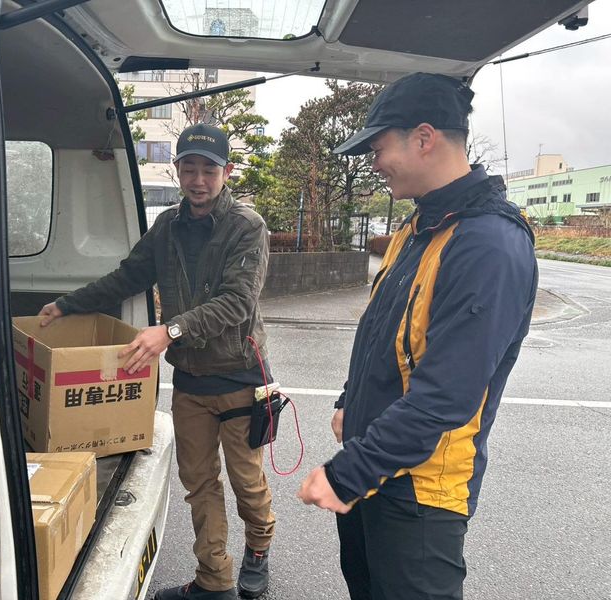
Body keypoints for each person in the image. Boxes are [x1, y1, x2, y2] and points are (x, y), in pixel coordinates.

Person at [297, 72, 538, 600]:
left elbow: (445, 396)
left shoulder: (487, 245)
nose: (374, 163)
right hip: (373, 466)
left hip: (420, 495)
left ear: (424, 138)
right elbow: (382, 334)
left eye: (379, 148)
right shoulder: (420, 226)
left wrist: (347, 474)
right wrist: (348, 401)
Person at [39, 123, 275, 600]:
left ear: (227, 172)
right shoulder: (167, 226)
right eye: (189, 169)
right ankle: (214, 579)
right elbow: (129, 276)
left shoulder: (246, 227)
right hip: (191, 381)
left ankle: (258, 546)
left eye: (209, 170)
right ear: (177, 170)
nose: (198, 180)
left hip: (240, 376)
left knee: (246, 481)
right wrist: (67, 304)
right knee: (199, 482)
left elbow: (237, 302)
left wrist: (169, 331)